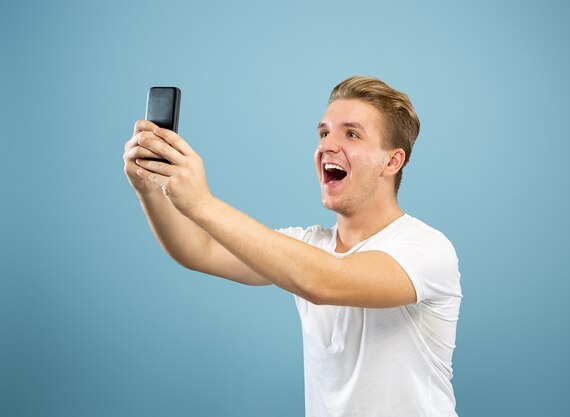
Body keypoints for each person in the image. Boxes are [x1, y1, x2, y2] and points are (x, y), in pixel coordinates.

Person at [123, 76, 462, 417]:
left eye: (352, 133)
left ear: (392, 161)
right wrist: (150, 188)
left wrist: (202, 203)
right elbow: (199, 250)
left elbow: (325, 281)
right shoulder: (307, 245)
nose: (328, 145)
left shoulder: (426, 249)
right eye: (324, 132)